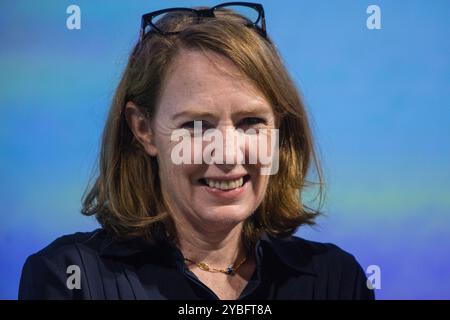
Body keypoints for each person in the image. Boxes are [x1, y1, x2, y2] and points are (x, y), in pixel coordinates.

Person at [19, 2, 374, 300]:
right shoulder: (69, 278)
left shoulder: (334, 281)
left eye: (250, 121)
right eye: (196, 125)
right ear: (143, 129)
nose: (229, 154)